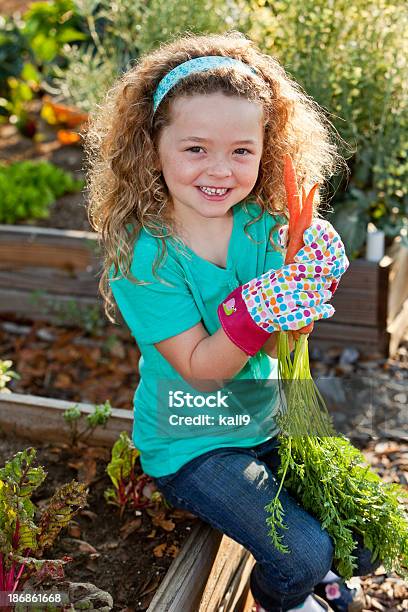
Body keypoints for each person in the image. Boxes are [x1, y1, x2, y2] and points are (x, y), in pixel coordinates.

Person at [85, 32, 379, 612]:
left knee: (365, 541)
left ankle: (312, 575)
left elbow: (295, 328)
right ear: (152, 146)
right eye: (195, 148)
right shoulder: (144, 260)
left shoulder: (262, 226)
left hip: (271, 417)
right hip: (194, 442)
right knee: (302, 553)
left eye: (242, 151)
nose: (220, 170)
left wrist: (312, 271)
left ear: (266, 149)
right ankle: (282, 595)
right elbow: (200, 371)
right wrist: (256, 309)